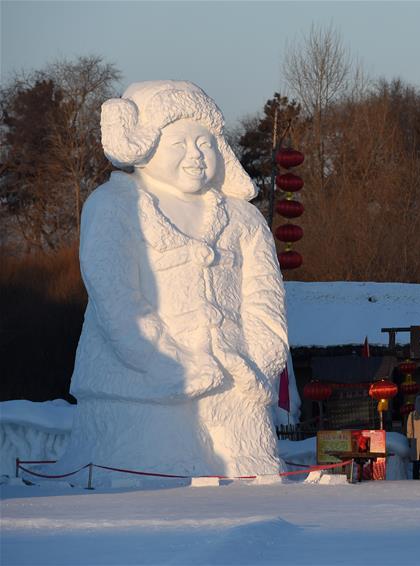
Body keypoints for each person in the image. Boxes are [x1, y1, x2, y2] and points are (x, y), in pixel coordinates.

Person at [56, 80, 286, 477]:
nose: (195, 156)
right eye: (179, 144)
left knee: (252, 463)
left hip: (239, 387)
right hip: (141, 389)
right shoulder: (115, 207)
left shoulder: (243, 218)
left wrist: (262, 361)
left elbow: (265, 299)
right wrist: (162, 361)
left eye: (206, 143)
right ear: (146, 146)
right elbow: (115, 295)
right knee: (161, 459)